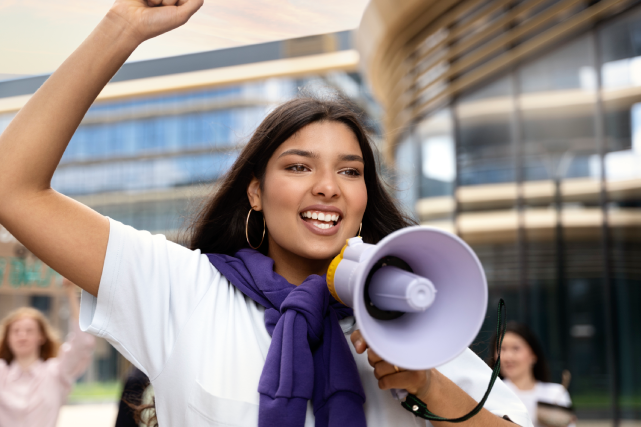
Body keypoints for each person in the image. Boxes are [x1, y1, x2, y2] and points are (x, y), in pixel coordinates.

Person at [0, 1, 532, 426]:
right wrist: (121, 26)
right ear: (254, 192)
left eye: (350, 172)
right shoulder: (183, 288)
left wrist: (427, 385)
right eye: (300, 167)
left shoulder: (418, 329)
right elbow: (13, 189)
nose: (328, 187)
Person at [0, 279, 96, 427]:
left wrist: (70, 293)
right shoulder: (2, 373)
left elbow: (81, 343)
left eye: (29, 330)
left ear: (42, 337)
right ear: (7, 338)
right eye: (16, 331)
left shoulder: (55, 372)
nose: (22, 336)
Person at [488, 322, 574, 427]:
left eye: (516, 348)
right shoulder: (491, 395)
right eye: (501, 349)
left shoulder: (556, 393)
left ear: (533, 354)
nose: (507, 356)